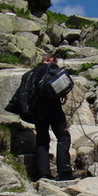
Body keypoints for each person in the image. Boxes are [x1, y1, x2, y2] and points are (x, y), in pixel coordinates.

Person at [31, 53, 75, 181]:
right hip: (53, 107)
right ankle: (64, 172)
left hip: (37, 110)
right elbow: (64, 84)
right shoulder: (52, 68)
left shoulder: (32, 72)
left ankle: (43, 173)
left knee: (42, 139)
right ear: (51, 60)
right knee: (63, 137)